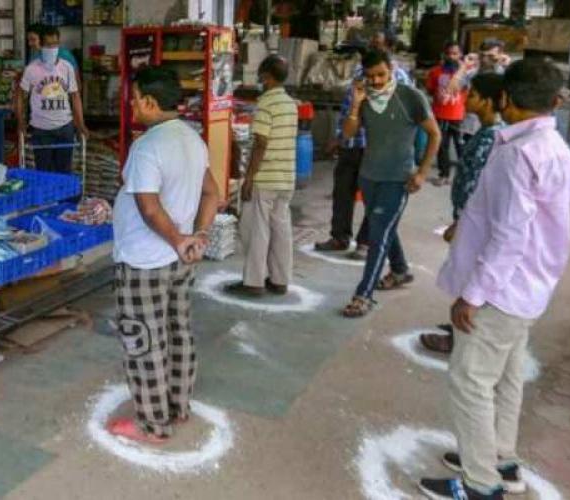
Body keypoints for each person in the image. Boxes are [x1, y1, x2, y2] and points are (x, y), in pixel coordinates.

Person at [419, 59, 570, 500]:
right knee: (506, 378)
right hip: (530, 286)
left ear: (506, 98)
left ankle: (480, 484)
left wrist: (471, 295)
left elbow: (511, 235)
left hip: (501, 290)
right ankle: (500, 460)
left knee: (470, 381)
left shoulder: (517, 154)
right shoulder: (557, 150)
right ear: (556, 102)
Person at [108, 67, 220, 443]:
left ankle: (154, 424)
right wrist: (196, 237)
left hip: (145, 261)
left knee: (143, 339)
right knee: (177, 330)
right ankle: (179, 404)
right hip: (179, 260)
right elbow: (212, 194)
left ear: (151, 102)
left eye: (136, 98)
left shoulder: (147, 147)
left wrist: (178, 240)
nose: (132, 105)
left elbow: (149, 208)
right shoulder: (193, 139)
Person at [341, 50, 441, 318]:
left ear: (392, 70)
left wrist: (422, 172)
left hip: (398, 179)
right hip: (369, 176)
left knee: (378, 235)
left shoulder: (410, 96)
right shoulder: (363, 98)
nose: (375, 81)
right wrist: (354, 104)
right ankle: (400, 270)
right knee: (382, 226)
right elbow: (348, 134)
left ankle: (363, 294)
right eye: (370, 75)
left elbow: (434, 134)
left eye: (381, 75)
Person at [418, 73, 505, 354]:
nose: (467, 100)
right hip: (471, 218)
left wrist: (461, 221)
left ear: (489, 101)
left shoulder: (490, 137)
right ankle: (459, 328)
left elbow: (477, 186)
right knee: (465, 272)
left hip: (475, 221)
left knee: (472, 275)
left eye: (474, 95)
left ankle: (462, 336)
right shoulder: (485, 132)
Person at [316, 31, 412, 256]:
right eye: (372, 43)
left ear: (389, 48)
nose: (372, 47)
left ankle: (365, 242)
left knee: (372, 196)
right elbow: (350, 107)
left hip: (378, 148)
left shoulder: (402, 79)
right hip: (352, 143)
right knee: (342, 192)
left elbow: (410, 117)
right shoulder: (361, 72)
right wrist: (340, 137)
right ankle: (339, 236)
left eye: (378, 44)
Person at [225, 55, 298, 297]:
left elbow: (261, 143)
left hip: (265, 177)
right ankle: (280, 279)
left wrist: (249, 178)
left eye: (261, 77)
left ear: (266, 77)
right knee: (281, 230)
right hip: (286, 178)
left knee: (257, 229)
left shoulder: (266, 103)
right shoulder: (290, 103)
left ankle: (253, 282)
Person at [15, 25, 89, 173]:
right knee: (44, 172)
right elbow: (20, 96)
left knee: (64, 171)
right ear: (40, 45)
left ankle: (64, 197)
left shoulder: (66, 67)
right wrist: (21, 122)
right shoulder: (32, 69)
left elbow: (75, 96)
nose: (52, 48)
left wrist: (81, 125)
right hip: (41, 129)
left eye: (55, 44)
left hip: (65, 127)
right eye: (48, 45)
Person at [426, 41, 468, 186]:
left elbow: (469, 93)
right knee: (442, 146)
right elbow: (430, 90)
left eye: (455, 53)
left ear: (460, 55)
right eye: (449, 53)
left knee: (461, 147)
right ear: (444, 54)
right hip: (440, 114)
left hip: (459, 115)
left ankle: (465, 176)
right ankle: (444, 174)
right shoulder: (435, 72)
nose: (451, 56)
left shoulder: (466, 74)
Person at [455, 39, 510, 143]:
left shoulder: (504, 74)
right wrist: (463, 67)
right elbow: (452, 89)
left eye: (490, 56)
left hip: (497, 128)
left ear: (500, 55)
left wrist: (507, 67)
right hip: (471, 127)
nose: (485, 60)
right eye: (482, 56)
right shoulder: (472, 73)